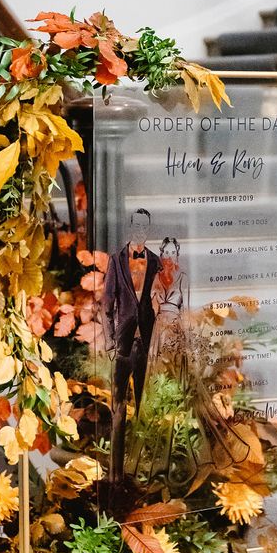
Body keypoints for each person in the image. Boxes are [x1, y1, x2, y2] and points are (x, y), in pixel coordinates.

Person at [125, 236, 250, 493]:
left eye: (173, 251)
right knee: (157, 384)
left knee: (184, 386)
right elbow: (148, 304)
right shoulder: (156, 278)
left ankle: (187, 454)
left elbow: (185, 305)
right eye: (166, 251)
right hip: (160, 331)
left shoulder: (182, 278)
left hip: (177, 332)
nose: (170, 255)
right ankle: (152, 456)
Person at [102, 208, 160, 484]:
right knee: (118, 407)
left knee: (144, 405)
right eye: (136, 225)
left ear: (148, 230)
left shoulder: (157, 262)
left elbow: (159, 301)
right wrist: (110, 340)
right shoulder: (117, 261)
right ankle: (115, 472)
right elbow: (106, 305)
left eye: (144, 227)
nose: (140, 231)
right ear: (130, 227)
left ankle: (141, 473)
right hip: (123, 345)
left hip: (146, 343)